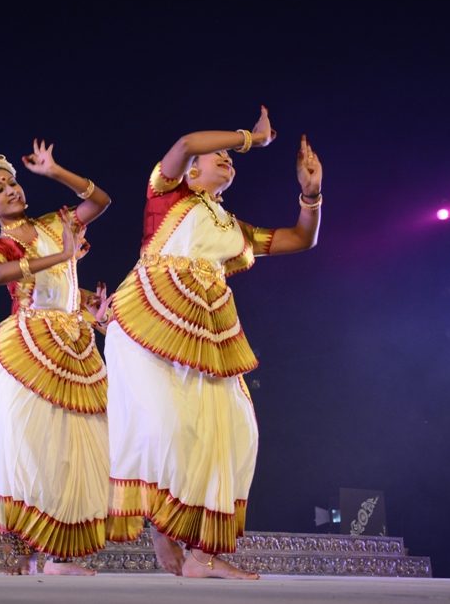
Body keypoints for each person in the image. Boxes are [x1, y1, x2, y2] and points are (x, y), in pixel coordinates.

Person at [104, 107, 323, 579]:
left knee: (235, 432)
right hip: (149, 323)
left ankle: (203, 554)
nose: (225, 159)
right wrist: (250, 138)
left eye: (230, 157)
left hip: (208, 334)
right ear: (193, 169)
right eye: (218, 154)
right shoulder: (166, 194)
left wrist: (311, 194)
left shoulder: (232, 228)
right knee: (168, 428)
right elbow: (185, 142)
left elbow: (300, 239)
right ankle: (164, 529)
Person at [0, 141, 112, 576]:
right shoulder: (2, 244)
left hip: (74, 343)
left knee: (73, 446)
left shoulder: (57, 222)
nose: (10, 190)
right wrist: (62, 256)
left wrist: (54, 171)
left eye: (12, 182)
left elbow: (99, 200)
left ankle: (61, 553)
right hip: (27, 347)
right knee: (28, 448)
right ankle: (25, 550)